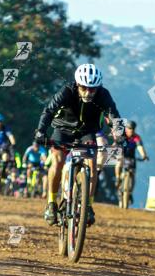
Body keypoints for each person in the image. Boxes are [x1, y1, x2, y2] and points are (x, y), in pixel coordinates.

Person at [35, 63, 121, 226]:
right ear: (77, 84)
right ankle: (51, 203)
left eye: (92, 89)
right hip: (63, 129)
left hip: (87, 132)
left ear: (98, 87)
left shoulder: (103, 95)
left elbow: (114, 115)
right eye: (84, 88)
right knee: (58, 161)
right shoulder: (67, 91)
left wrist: (120, 134)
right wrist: (41, 131)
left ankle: (87, 206)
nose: (88, 92)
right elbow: (49, 111)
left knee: (92, 164)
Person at [114, 119, 148, 201]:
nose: (131, 131)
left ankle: (130, 193)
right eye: (129, 129)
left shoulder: (136, 137)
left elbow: (140, 147)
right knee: (118, 163)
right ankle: (118, 178)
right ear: (126, 129)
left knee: (133, 175)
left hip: (131, 157)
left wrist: (144, 155)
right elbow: (116, 145)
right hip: (121, 155)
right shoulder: (122, 136)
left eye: (132, 129)